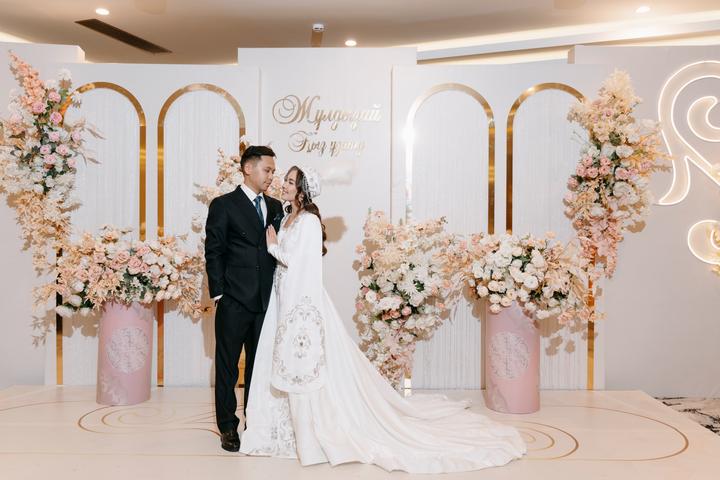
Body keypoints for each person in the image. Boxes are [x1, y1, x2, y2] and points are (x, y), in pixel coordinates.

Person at [239, 165, 527, 473]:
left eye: (290, 181)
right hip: (283, 299)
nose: (283, 184)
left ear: (302, 190)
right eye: (284, 180)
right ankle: (282, 430)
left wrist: (273, 247)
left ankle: (312, 435)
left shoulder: (308, 221)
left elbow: (301, 263)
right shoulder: (287, 218)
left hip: (301, 302)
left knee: (308, 365)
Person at [204, 145, 284, 452]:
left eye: (273, 171)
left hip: (266, 300)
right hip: (234, 299)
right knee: (227, 366)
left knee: (258, 366)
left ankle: (255, 420)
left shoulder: (275, 206)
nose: (271, 176)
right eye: (267, 170)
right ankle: (227, 427)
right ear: (248, 169)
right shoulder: (223, 205)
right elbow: (214, 251)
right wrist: (220, 293)